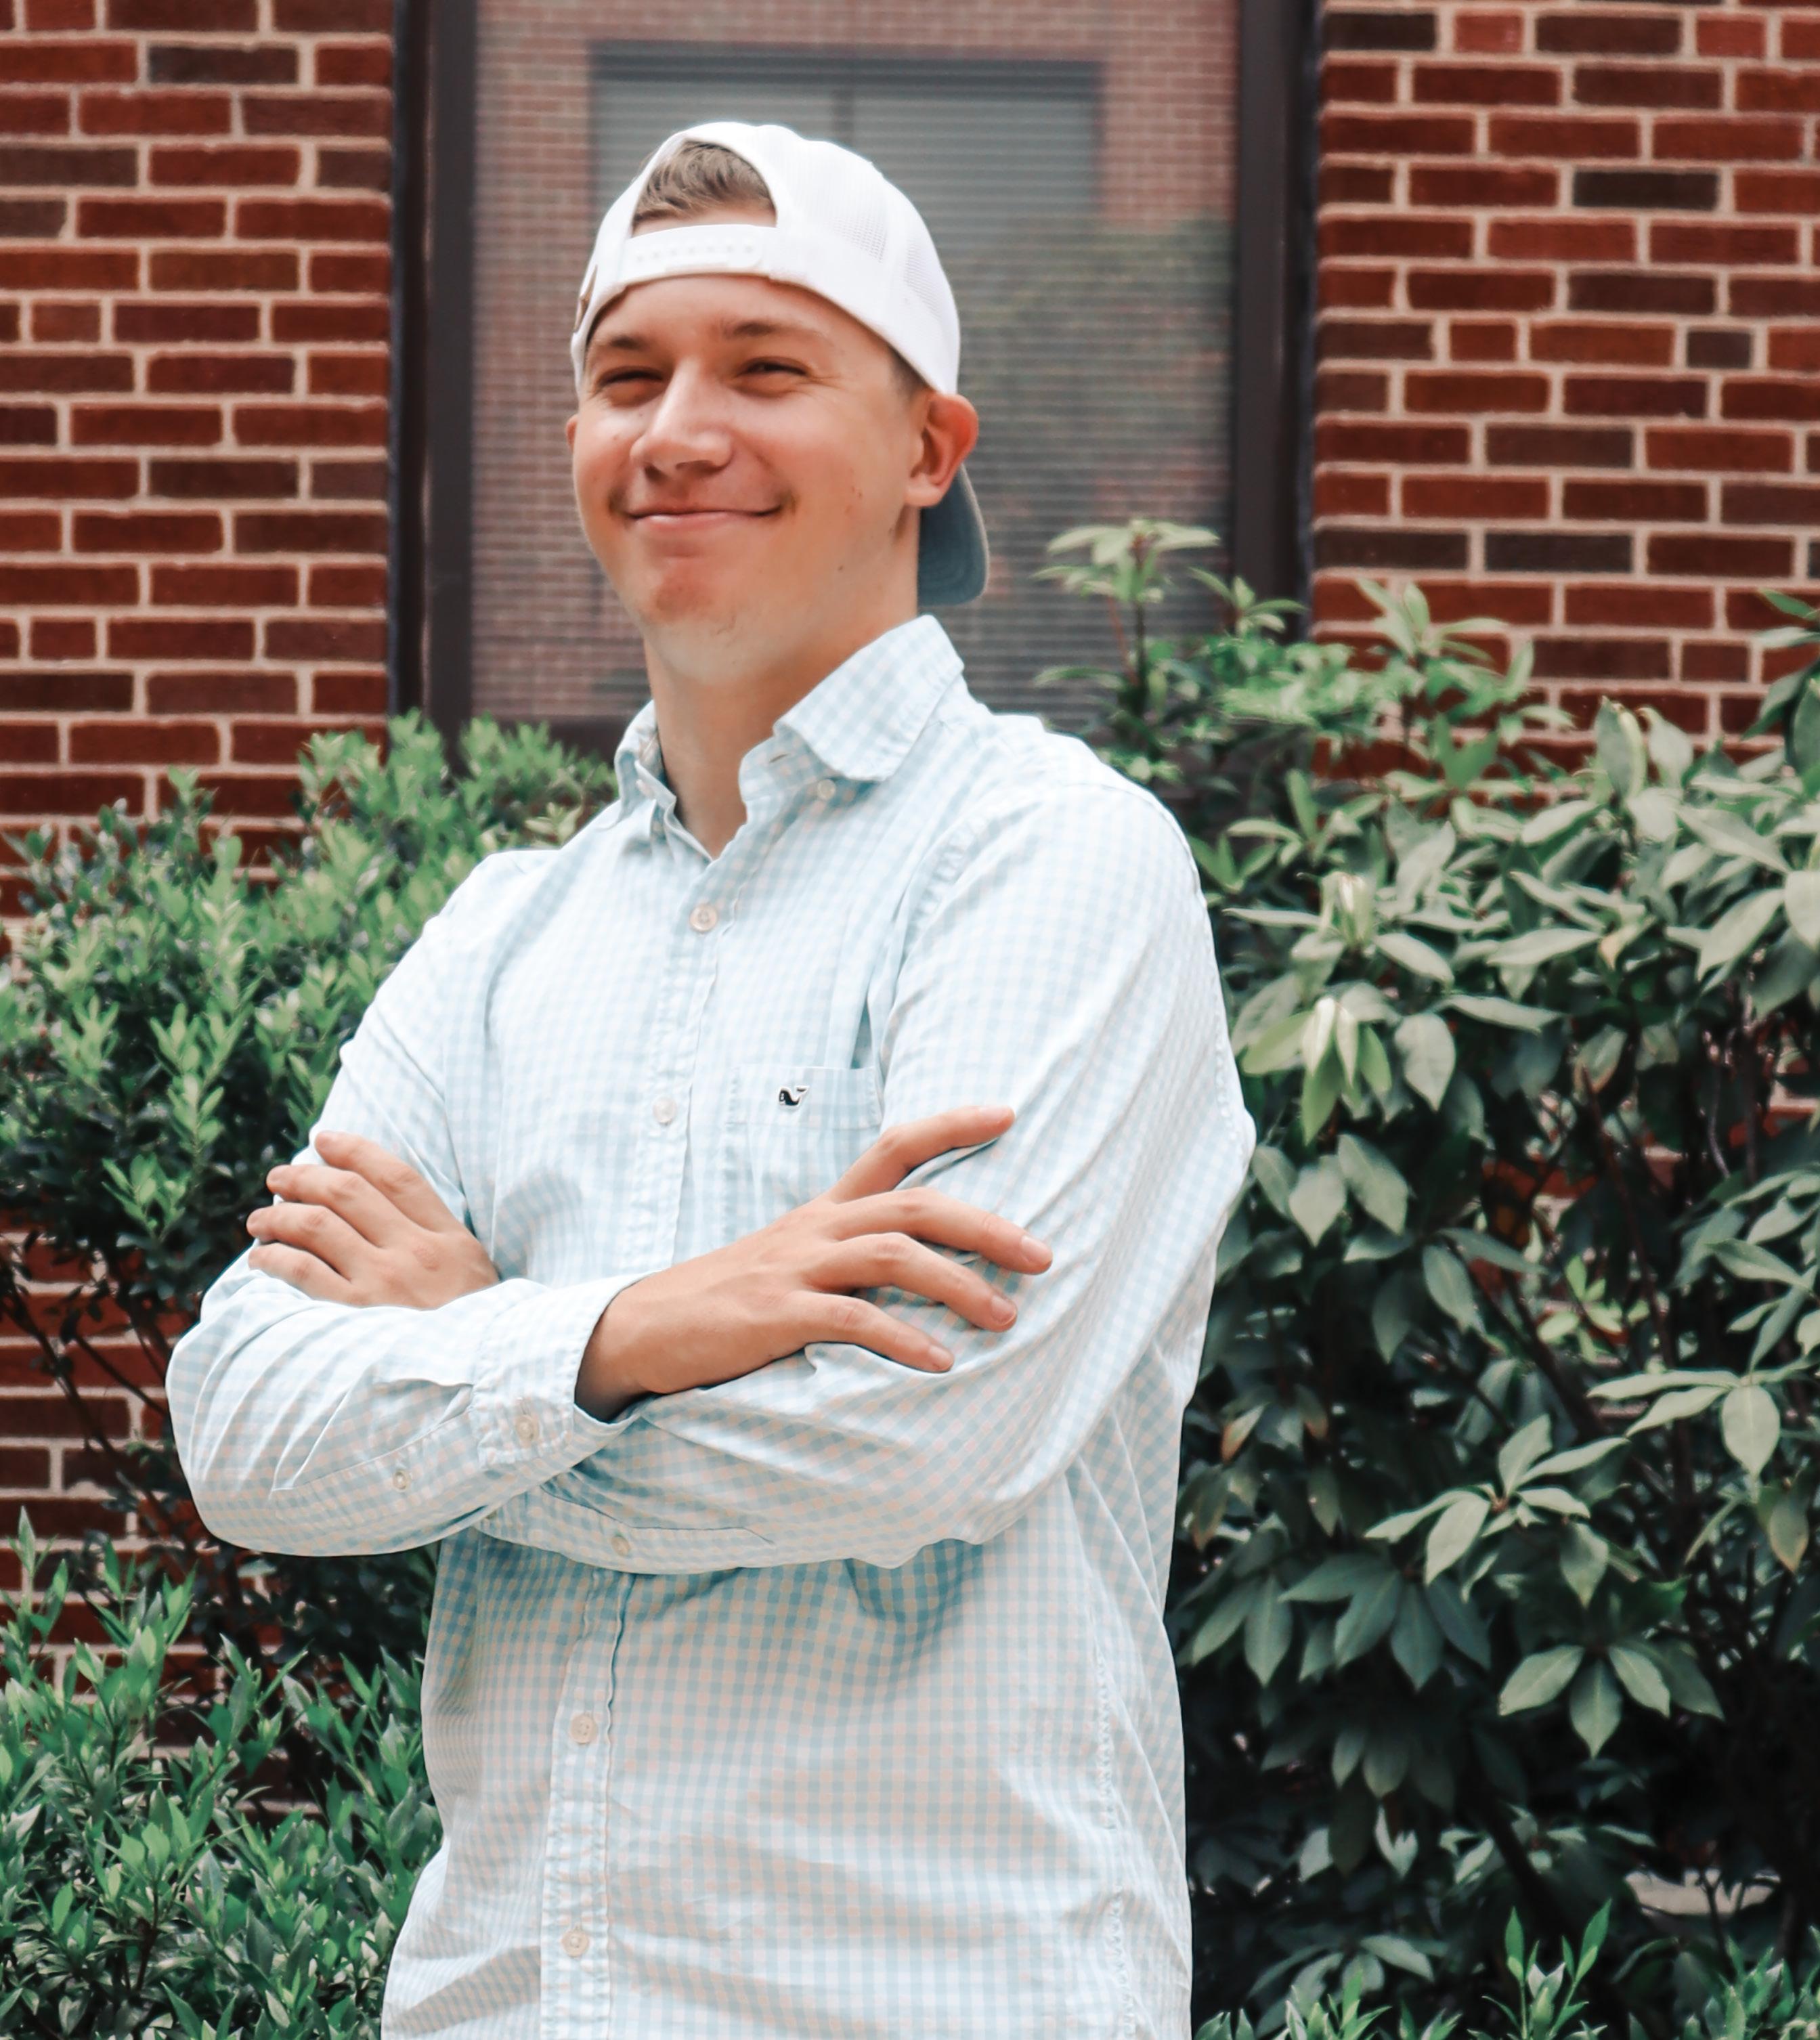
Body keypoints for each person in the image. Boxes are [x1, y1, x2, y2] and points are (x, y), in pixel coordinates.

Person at [169, 119, 1255, 2040]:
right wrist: (639, 1332)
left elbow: (914, 1441)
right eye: (626, 376)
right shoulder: (502, 936)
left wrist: (481, 1361)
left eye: (765, 368)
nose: (677, 432)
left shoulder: (1051, 863)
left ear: (928, 449)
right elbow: (246, 1432)